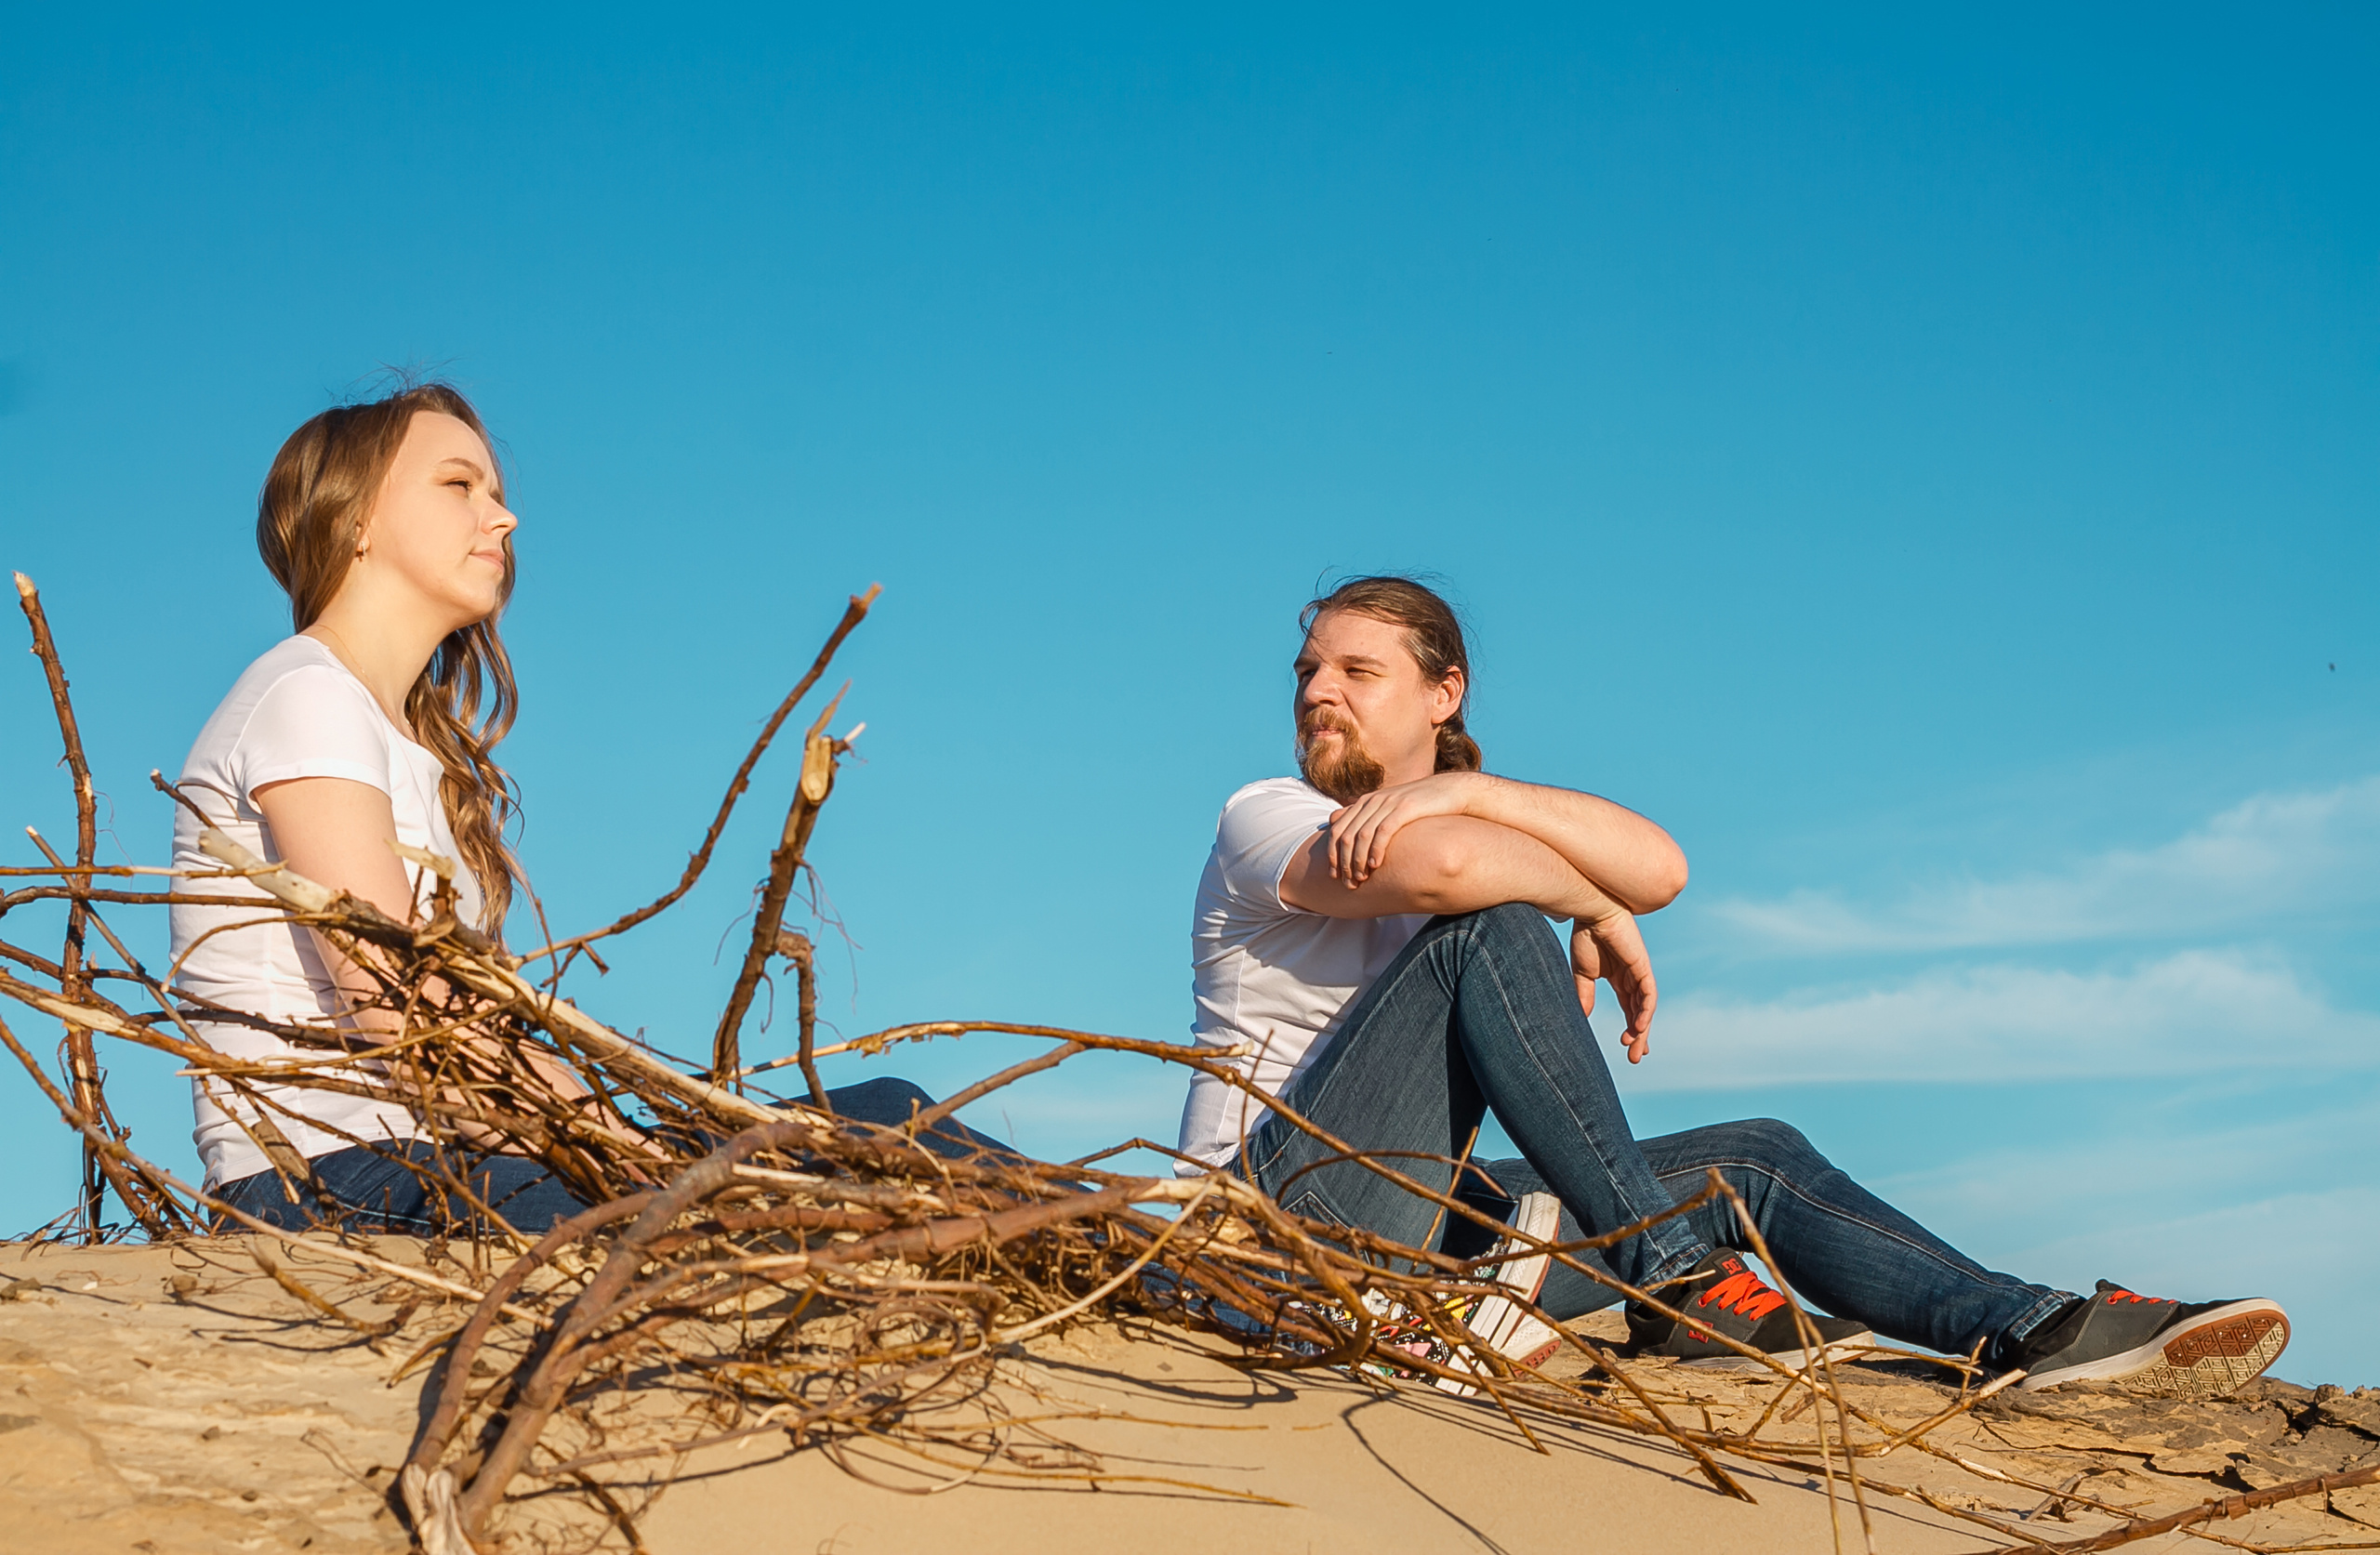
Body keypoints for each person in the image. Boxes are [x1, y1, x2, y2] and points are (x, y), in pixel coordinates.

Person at [1176, 574, 2289, 1394]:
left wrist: (1497, 807)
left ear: (1442, 693)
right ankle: (1665, 1276)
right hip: (1260, 1230)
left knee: (1753, 1155)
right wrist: (1590, 904)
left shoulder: (1459, 810)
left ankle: (2035, 1328)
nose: (1319, 691)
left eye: (1356, 671)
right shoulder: (1266, 816)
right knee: (1489, 927)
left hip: (1415, 1244)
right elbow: (1475, 876)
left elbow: (1664, 868)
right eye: (1308, 671)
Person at [168, 382, 968, 1237]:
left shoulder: (405, 743)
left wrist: (647, 1137)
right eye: (459, 486)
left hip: (447, 1163)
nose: (502, 520)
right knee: (739, 1210)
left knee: (888, 1112)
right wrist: (627, 1149)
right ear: (355, 519)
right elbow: (405, 1013)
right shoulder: (304, 694)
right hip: (328, 1184)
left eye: (499, 496)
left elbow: (482, 1034)